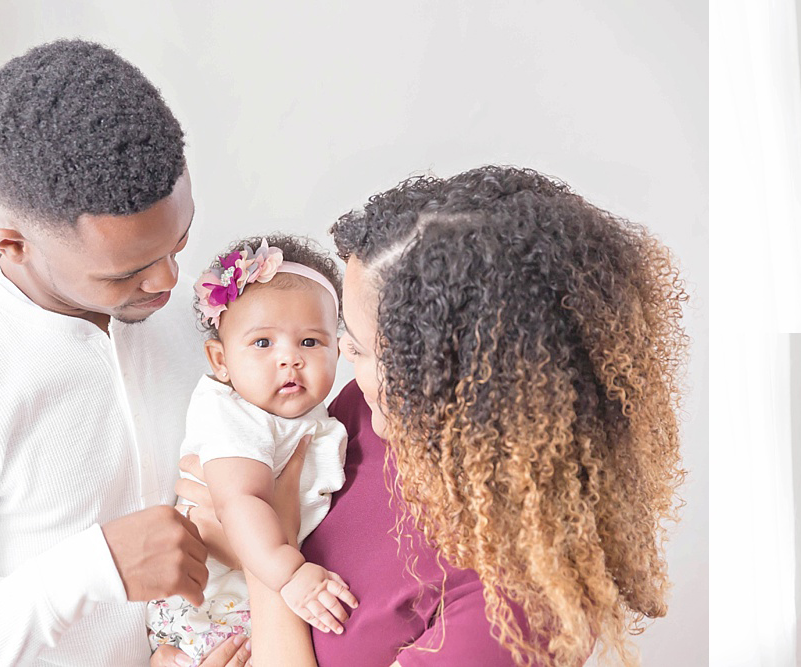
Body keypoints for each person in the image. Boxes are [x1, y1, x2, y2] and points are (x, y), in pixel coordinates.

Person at [161, 166, 688, 667]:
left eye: (362, 349)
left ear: (447, 378)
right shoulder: (360, 421)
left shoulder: (523, 610)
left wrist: (267, 559)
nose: (342, 356)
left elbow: (259, 543)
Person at [0, 40, 251, 667]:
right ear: (13, 244)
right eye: (126, 274)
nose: (169, 281)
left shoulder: (198, 317)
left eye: (181, 238)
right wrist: (94, 568)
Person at [148, 236, 354, 662]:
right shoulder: (234, 416)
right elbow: (239, 501)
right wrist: (291, 573)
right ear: (220, 361)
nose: (289, 360)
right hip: (212, 605)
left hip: (252, 594)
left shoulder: (310, 415)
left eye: (310, 343)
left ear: (339, 348)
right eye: (263, 343)